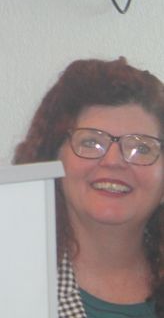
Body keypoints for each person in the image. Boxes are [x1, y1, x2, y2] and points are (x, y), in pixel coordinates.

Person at [14, 58, 164, 317]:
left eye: (141, 148)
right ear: (52, 158)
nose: (113, 161)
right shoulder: (7, 285)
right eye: (91, 143)